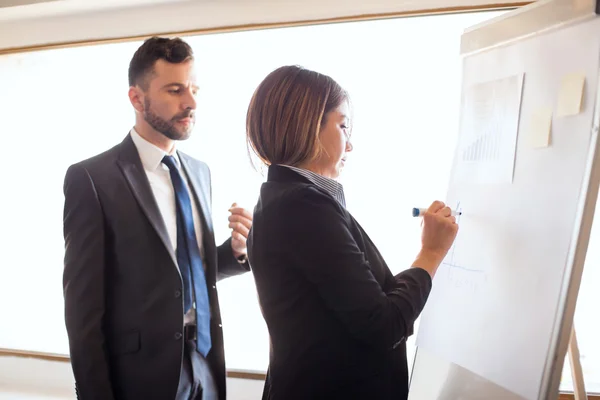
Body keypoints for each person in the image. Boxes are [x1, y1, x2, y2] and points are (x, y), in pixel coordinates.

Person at [245, 65, 459, 400]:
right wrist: (430, 253)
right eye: (343, 125)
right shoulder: (303, 206)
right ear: (309, 126)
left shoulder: (283, 200)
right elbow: (383, 325)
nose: (350, 145)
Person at [62, 37, 253, 400]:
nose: (191, 102)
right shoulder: (92, 179)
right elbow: (82, 311)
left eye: (194, 88)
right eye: (175, 89)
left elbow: (187, 274)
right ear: (137, 98)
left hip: (206, 367)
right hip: (139, 378)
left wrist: (236, 251)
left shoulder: (200, 172)